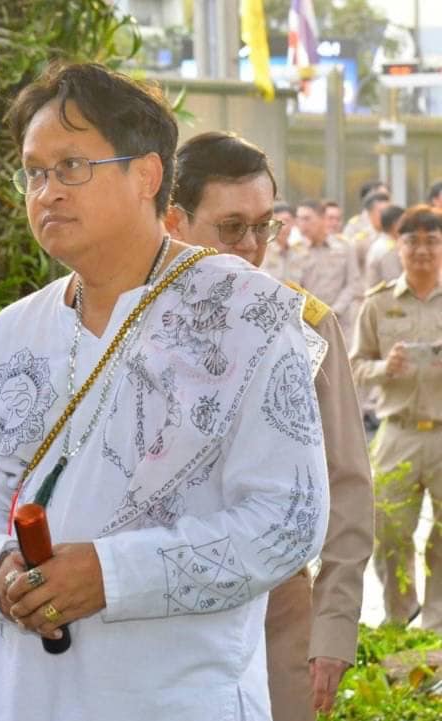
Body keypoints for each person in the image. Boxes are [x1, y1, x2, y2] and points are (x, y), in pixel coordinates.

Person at [0, 62, 328, 720]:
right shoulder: (16, 330)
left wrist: (111, 575)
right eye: (33, 172)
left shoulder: (246, 314)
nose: (47, 192)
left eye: (71, 167)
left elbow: (288, 520)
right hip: (21, 693)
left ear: (146, 174)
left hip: (174, 695)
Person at [166, 131, 373, 721]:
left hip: (276, 614)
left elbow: (346, 483)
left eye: (264, 227)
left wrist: (333, 627)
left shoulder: (304, 325)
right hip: (153, 613)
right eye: (232, 228)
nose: (253, 247)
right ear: (174, 220)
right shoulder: (128, 321)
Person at [351, 204, 442, 632]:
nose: (422, 250)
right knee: (388, 530)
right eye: (412, 242)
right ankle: (399, 613)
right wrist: (384, 367)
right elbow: (355, 365)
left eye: (432, 241)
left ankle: (437, 623)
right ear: (398, 247)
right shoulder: (379, 302)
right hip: (397, 432)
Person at [294, 199, 363, 338]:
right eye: (299, 219)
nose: (302, 224)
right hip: (307, 324)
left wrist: (334, 311)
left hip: (339, 322)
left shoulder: (344, 246)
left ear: (321, 219)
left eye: (307, 219)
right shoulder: (296, 250)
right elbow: (294, 288)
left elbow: (353, 283)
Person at [365, 204, 406, 288]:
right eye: (404, 223)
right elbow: (394, 282)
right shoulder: (388, 250)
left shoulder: (382, 243)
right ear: (395, 225)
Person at [261, 201, 300, 283]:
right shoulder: (262, 252)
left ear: (293, 222)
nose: (283, 227)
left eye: (286, 221)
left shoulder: (298, 254)